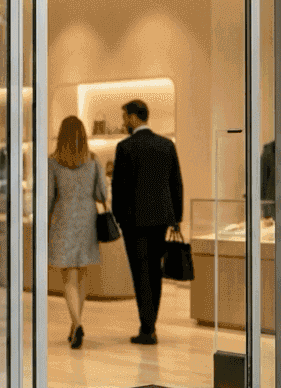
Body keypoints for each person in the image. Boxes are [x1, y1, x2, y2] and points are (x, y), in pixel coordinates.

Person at [110, 99, 183, 344]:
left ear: (132, 117)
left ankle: (147, 328)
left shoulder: (125, 147)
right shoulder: (166, 145)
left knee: (140, 273)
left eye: (124, 117)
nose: (123, 123)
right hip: (161, 219)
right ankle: (150, 324)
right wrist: (176, 218)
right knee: (154, 272)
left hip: (134, 222)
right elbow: (176, 184)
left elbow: (118, 188)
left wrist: (118, 218)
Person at [47, 115, 107, 350]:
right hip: (87, 220)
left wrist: (45, 223)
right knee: (82, 275)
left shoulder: (52, 163)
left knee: (68, 278)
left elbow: (49, 198)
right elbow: (102, 194)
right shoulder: (93, 161)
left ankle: (77, 325)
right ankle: (75, 325)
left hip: (63, 219)